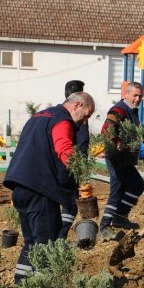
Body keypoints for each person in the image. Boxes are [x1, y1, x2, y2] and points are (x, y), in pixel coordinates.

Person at [3, 92, 95, 288]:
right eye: (86, 116)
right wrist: (80, 173)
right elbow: (64, 149)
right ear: (77, 105)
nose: (84, 122)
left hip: (20, 185)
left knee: (32, 243)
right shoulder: (62, 120)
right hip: (40, 188)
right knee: (46, 243)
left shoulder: (38, 116)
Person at [98, 82, 144, 241]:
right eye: (135, 95)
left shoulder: (131, 111)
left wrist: (143, 133)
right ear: (126, 94)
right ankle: (105, 226)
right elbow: (106, 129)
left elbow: (133, 128)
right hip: (116, 158)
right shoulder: (119, 110)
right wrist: (116, 140)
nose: (138, 99)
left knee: (137, 184)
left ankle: (120, 216)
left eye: (140, 96)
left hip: (125, 159)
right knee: (118, 187)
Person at [57, 79, 91, 239]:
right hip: (70, 163)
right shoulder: (79, 114)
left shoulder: (57, 112)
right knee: (71, 204)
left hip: (53, 164)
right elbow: (82, 142)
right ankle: (60, 236)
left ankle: (53, 237)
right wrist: (81, 167)